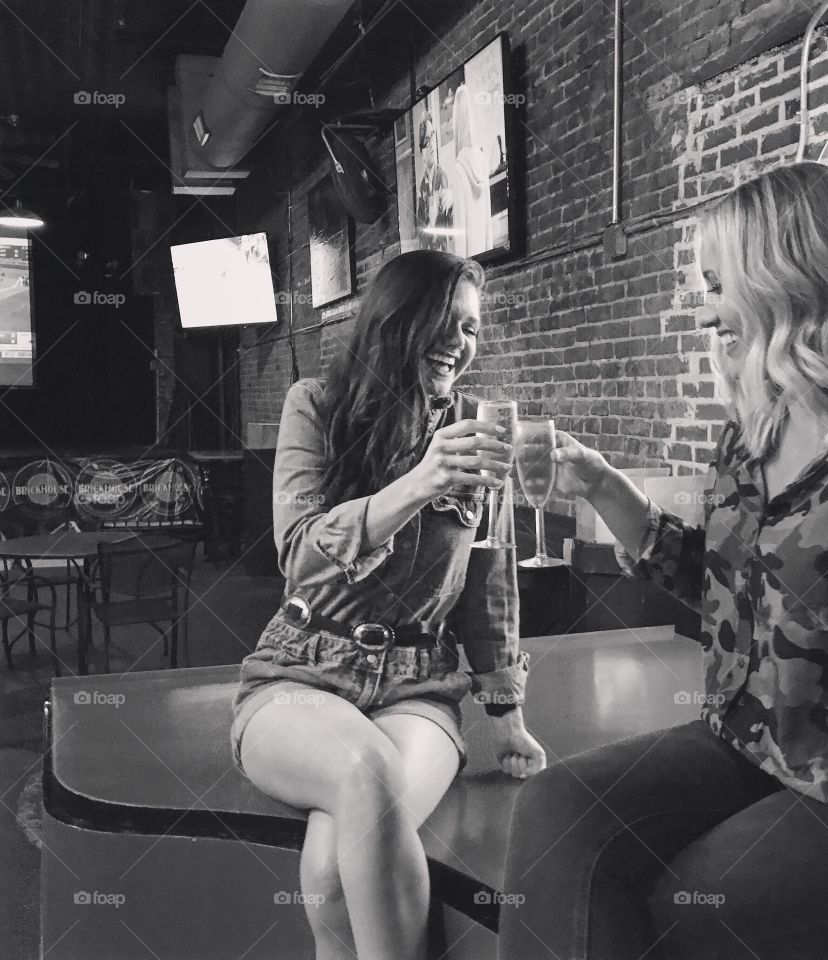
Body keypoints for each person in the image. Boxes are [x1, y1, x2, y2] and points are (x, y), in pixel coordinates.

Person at [498, 161, 828, 960]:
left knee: (683, 912)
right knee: (552, 813)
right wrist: (604, 487)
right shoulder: (754, 422)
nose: (703, 306)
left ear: (784, 276)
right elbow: (721, 588)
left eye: (716, 283)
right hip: (751, 741)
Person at [229, 250, 545, 960]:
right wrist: (421, 481)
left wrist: (508, 715)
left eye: (470, 329)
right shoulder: (315, 405)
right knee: (364, 775)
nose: (459, 343)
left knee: (329, 869)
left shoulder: (476, 427)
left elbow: (490, 579)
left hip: (417, 684)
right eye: (445, 321)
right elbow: (301, 554)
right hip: (301, 671)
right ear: (394, 320)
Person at [451, 84, 492, 257]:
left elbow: (459, 229)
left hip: (468, 265)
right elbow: (487, 221)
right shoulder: (482, 160)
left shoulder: (459, 167)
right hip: (485, 257)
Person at [415, 110, 454, 253]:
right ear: (422, 151)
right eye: (427, 139)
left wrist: (451, 202)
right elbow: (419, 230)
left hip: (442, 253)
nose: (432, 144)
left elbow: (450, 226)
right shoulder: (421, 186)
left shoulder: (441, 175)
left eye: (433, 137)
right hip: (427, 254)